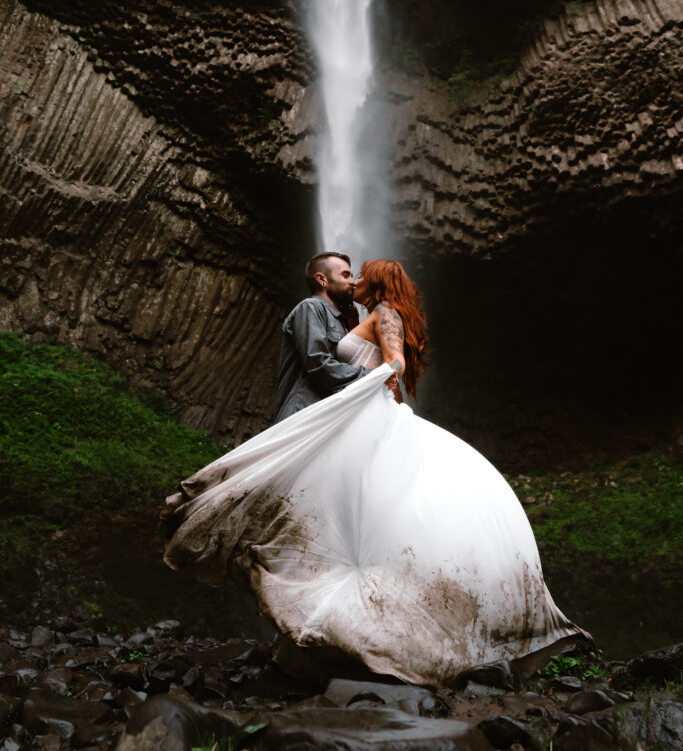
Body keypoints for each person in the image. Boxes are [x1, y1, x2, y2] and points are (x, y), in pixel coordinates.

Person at [163, 257, 588, 688]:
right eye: (350, 273)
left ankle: (351, 639)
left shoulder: (385, 315)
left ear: (380, 283)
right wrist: (370, 382)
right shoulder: (340, 313)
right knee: (329, 518)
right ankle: (315, 640)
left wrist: (374, 381)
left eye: (362, 274)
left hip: (364, 415)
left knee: (347, 517)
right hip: (352, 415)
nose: (357, 279)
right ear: (322, 278)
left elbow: (395, 364)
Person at [274, 251, 399, 422]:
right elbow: (318, 364)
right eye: (346, 275)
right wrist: (373, 377)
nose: (353, 282)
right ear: (322, 279)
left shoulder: (342, 321)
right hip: (302, 415)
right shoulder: (310, 307)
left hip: (326, 417)